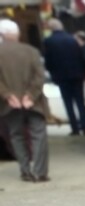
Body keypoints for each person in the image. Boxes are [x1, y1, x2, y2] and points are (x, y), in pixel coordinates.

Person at [0, 18, 51, 182]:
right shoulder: (31, 51)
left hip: (9, 105)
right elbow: (39, 75)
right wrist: (31, 95)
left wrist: (8, 95)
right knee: (39, 135)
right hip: (34, 103)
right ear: (18, 34)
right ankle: (40, 171)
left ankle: (25, 171)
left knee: (16, 135)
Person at [43, 18, 85, 136]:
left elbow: (48, 60)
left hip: (61, 76)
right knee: (80, 101)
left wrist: (51, 72)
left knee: (68, 102)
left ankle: (75, 128)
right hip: (77, 75)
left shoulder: (48, 41)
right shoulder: (72, 39)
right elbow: (82, 57)